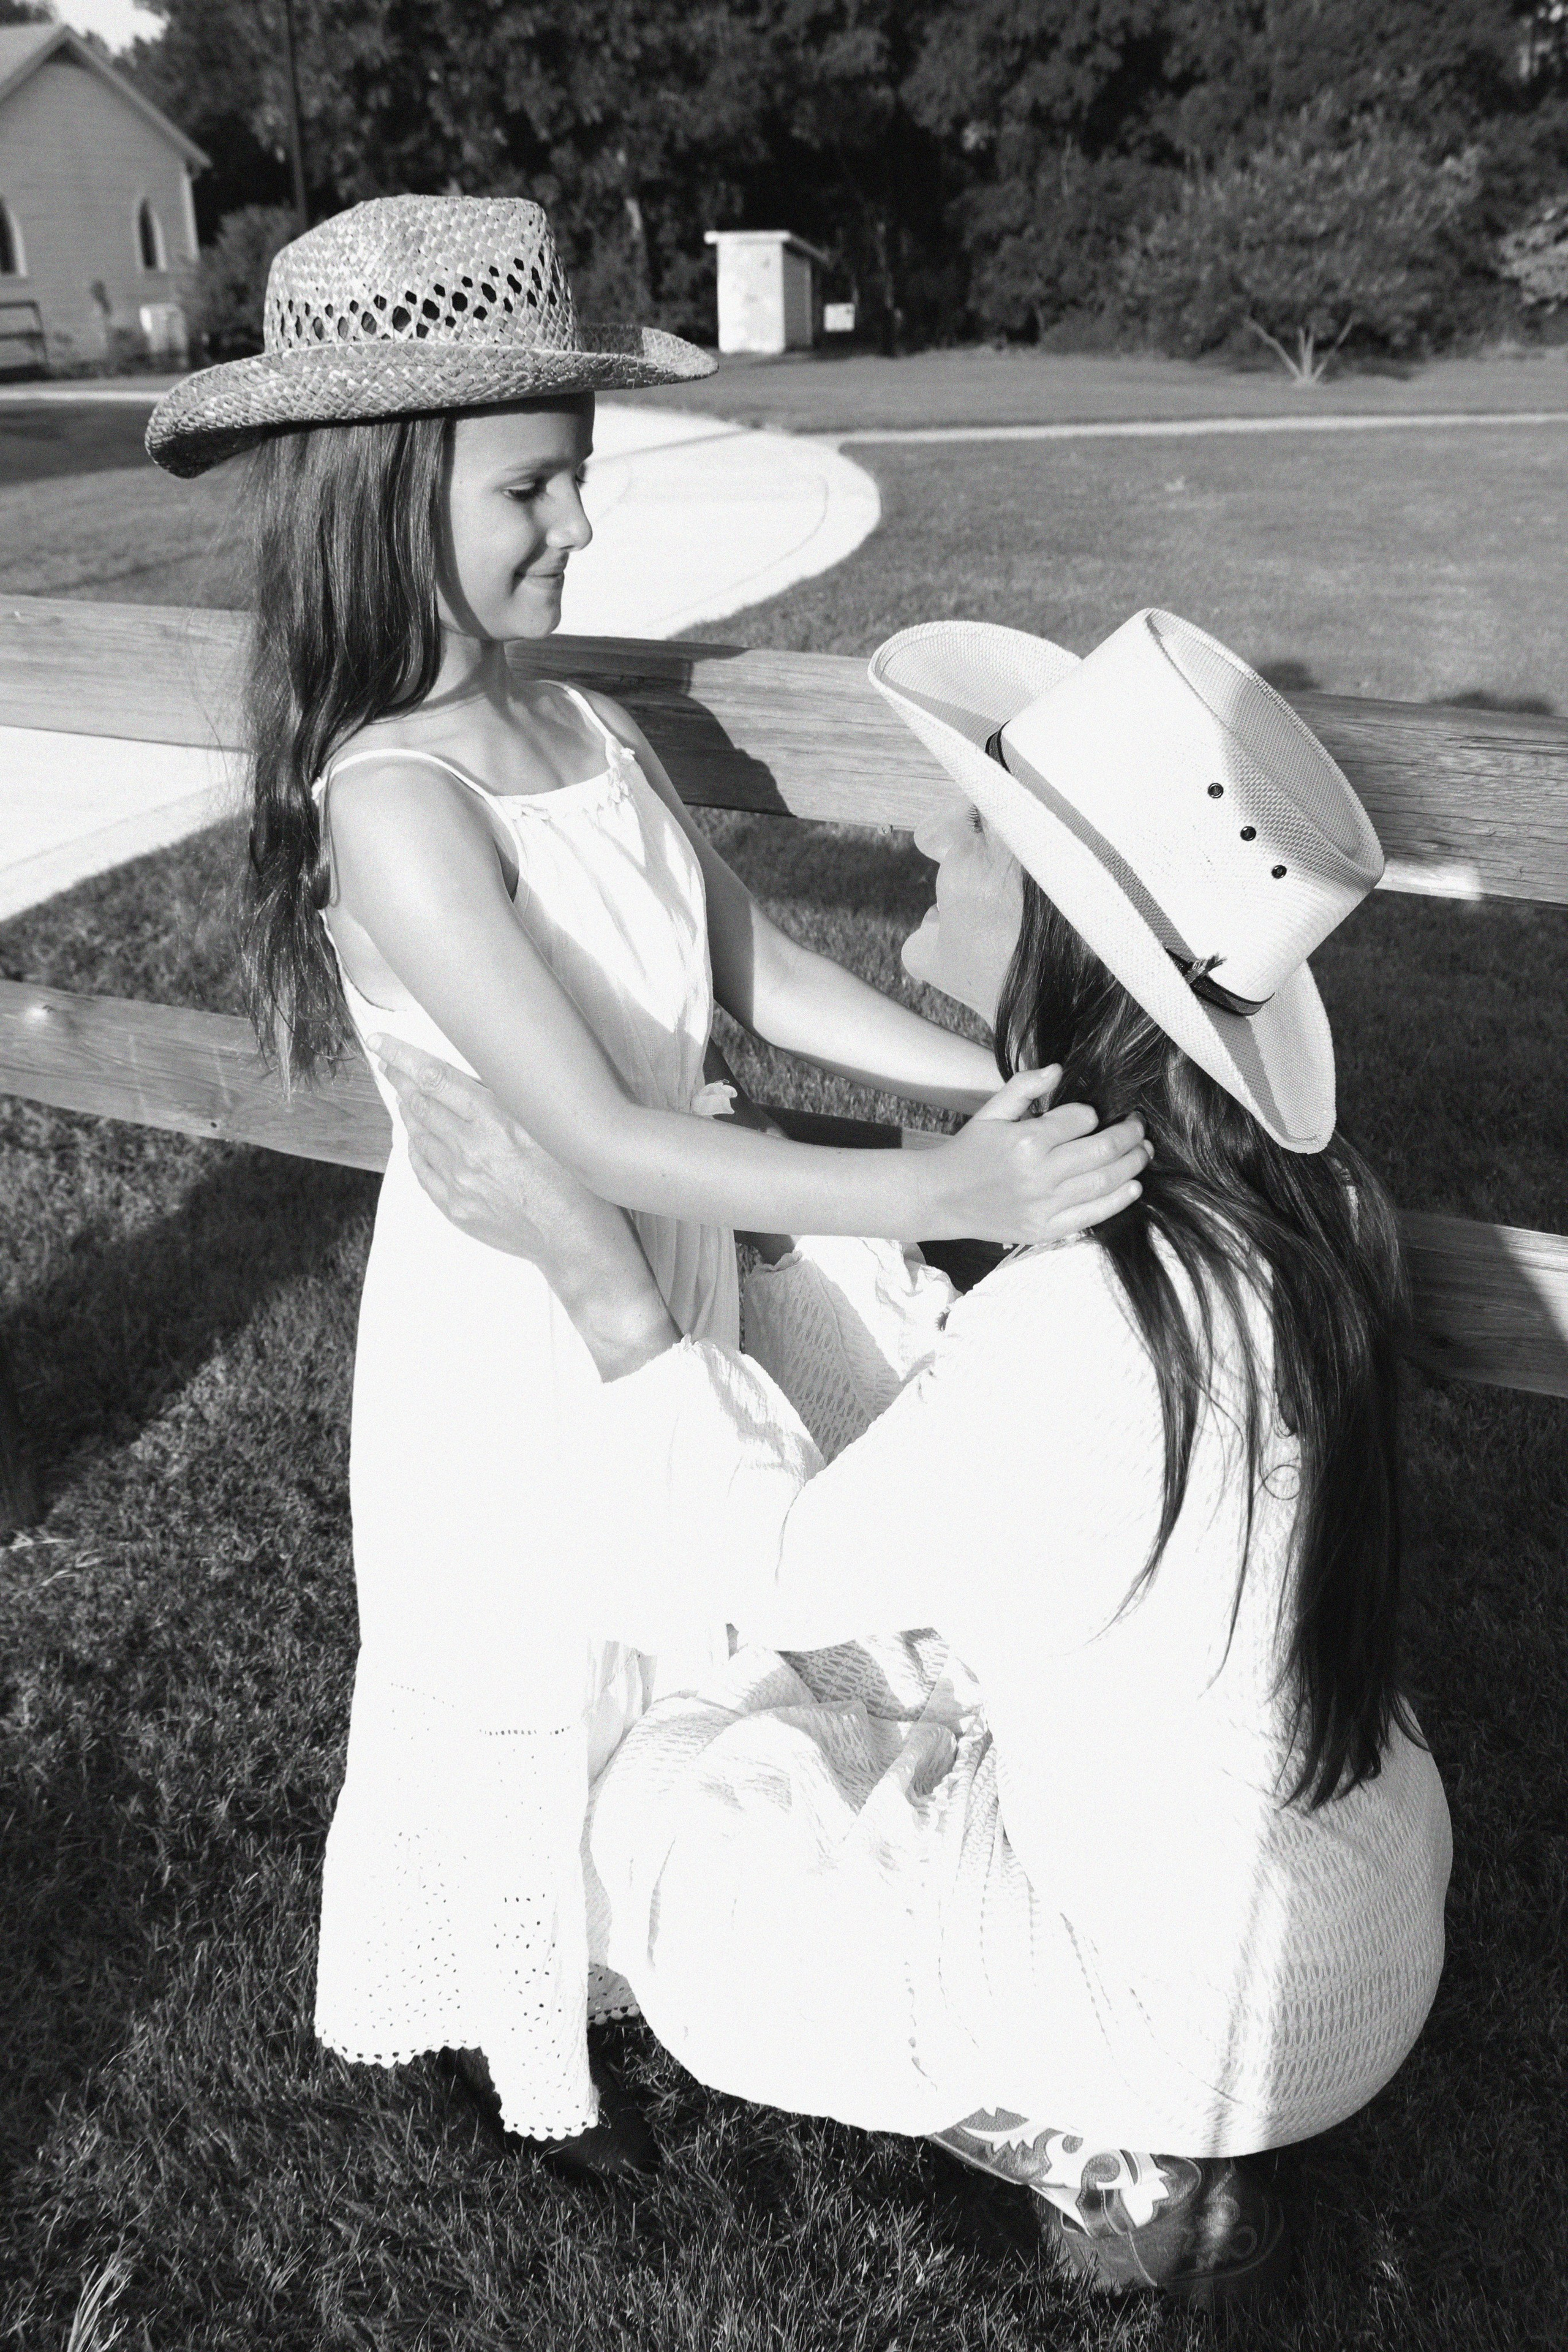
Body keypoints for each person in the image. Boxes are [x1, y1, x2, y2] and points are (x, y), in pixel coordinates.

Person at [143, 197, 1145, 2174]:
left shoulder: (575, 720)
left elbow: (745, 962)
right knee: (530, 1637)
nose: (577, 532)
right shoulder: (394, 799)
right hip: (527, 1296)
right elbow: (592, 1133)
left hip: (659, 1247)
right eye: (535, 492)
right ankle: (491, 2030)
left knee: (675, 1605)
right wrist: (957, 1185)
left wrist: (1000, 1076)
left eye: (579, 486)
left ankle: (661, 1921)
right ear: (382, 488)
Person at [375, 609, 1453, 2307]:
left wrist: (598, 1272)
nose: (921, 840)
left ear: (1068, 934)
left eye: (975, 827)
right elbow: (963, 1442)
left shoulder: (1094, 1321)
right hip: (1369, 1908)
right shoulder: (1278, 1221)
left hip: (1211, 2011)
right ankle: (1115, 2082)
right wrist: (792, 1210)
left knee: (651, 1815)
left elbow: (769, 1566)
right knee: (881, 1682)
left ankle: (1096, 2139)